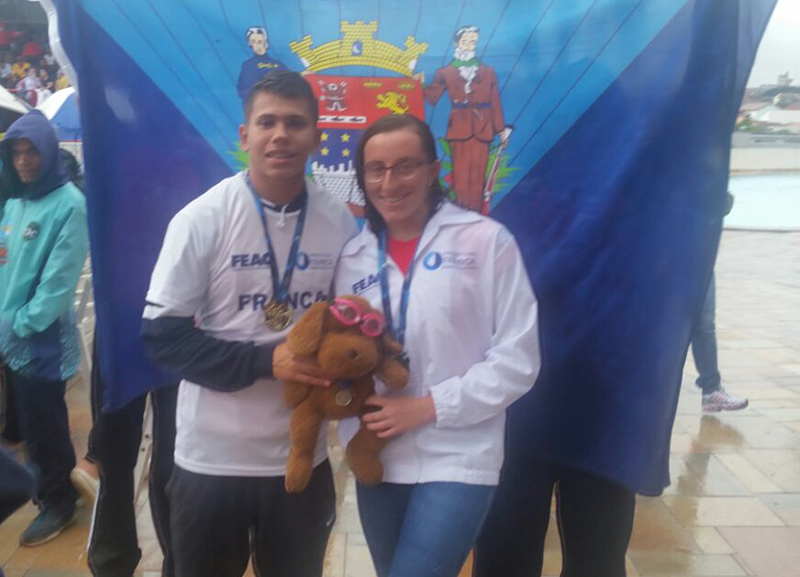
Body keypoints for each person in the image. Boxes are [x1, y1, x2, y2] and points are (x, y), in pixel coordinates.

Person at [141, 70, 357, 577]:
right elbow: (162, 336)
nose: (280, 134)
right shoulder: (202, 218)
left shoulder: (340, 221)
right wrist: (268, 362)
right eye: (267, 122)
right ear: (245, 136)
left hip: (301, 460)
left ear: (316, 137)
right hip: (210, 461)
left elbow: (352, 324)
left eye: (295, 123)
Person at [334, 114, 540, 577]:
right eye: (376, 169)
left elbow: (518, 359)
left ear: (433, 170)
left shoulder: (486, 241)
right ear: (362, 178)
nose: (390, 182)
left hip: (461, 453)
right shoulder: (351, 260)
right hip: (378, 457)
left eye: (405, 166)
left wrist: (429, 406)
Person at [0, 109, 89, 546]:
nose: (23, 161)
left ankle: (60, 502)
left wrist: (21, 322)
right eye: (15, 153)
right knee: (26, 425)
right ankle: (47, 490)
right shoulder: (16, 202)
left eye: (30, 151)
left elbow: (58, 284)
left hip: (42, 340)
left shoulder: (70, 203)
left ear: (48, 152)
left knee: (46, 425)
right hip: (9, 333)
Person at [424, 26, 510, 212]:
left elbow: (495, 100)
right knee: (461, 176)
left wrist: (501, 130)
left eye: (473, 41)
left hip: (483, 128)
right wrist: (417, 82)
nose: (470, 44)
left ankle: (477, 215)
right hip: (459, 128)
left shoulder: (487, 71)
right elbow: (432, 97)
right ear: (457, 43)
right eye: (466, 41)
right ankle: (461, 214)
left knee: (478, 175)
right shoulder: (445, 72)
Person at [692, 191, 748, 412]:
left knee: (705, 325)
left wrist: (716, 182)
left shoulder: (704, 169)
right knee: (663, 330)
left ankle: (711, 390)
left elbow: (725, 205)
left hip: (700, 258)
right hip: (667, 259)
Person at [236, 27, 287, 102]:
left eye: (260, 42)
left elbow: (290, 81)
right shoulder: (248, 65)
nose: (258, 46)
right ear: (250, 44)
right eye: (253, 42)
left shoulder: (278, 64)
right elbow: (242, 90)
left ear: (265, 42)